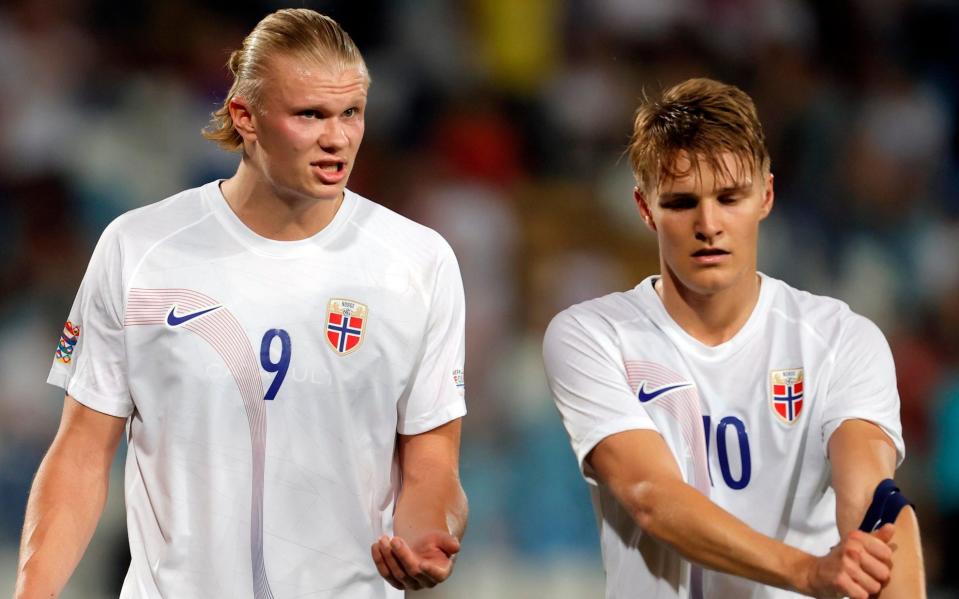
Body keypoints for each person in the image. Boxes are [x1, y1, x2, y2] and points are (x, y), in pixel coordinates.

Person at [15, 9, 467, 598]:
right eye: (310, 114)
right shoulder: (140, 249)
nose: (338, 137)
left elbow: (433, 458)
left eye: (351, 112)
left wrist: (426, 532)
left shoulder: (418, 262)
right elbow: (80, 452)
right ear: (244, 116)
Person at [543, 78, 924, 598]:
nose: (709, 224)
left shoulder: (841, 340)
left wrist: (880, 549)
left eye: (730, 197)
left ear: (766, 194)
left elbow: (872, 503)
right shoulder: (593, 335)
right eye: (681, 203)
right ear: (644, 208)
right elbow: (649, 495)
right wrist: (807, 571)